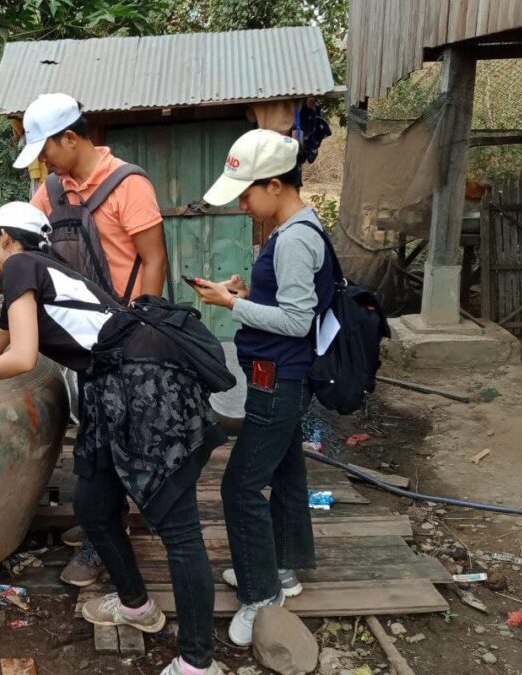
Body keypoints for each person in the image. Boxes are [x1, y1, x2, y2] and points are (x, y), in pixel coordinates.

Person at [0, 202, 227, 675]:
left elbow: (19, 358)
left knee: (178, 529)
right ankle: (137, 605)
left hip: (146, 385)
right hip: (112, 386)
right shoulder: (40, 271)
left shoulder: (21, 266)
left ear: (4, 239)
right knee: (95, 508)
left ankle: (197, 662)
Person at [0, 92, 168, 587]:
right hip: (86, 337)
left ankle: (103, 542)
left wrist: (145, 326)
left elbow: (155, 261)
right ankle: (101, 522)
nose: (42, 162)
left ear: (70, 137)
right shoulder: (54, 189)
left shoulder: (129, 186)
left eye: (45, 149)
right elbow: (13, 241)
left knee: (110, 441)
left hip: (125, 336)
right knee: (93, 436)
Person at [190, 129, 335, 646]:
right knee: (288, 471)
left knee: (240, 486)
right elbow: (292, 302)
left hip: (281, 380)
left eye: (247, 193)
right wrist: (250, 292)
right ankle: (282, 570)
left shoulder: (294, 237)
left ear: (275, 185)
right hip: (281, 378)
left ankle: (259, 594)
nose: (244, 204)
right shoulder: (295, 226)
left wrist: (231, 305)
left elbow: (297, 321)